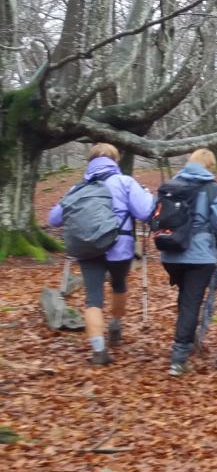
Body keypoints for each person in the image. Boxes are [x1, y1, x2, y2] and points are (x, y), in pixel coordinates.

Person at [48, 144, 154, 366]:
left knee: (93, 298)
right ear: (115, 160)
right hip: (119, 247)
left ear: (90, 161)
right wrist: (145, 194)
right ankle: (115, 323)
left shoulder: (77, 188)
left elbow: (54, 219)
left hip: (86, 248)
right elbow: (145, 212)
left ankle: (98, 351)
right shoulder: (125, 182)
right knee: (118, 285)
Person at [158, 148, 217, 376]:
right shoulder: (211, 187)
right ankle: (179, 359)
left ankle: (187, 343)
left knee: (186, 297)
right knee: (191, 302)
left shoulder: (171, 185)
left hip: (171, 253)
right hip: (199, 255)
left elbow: (156, 215)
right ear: (209, 166)